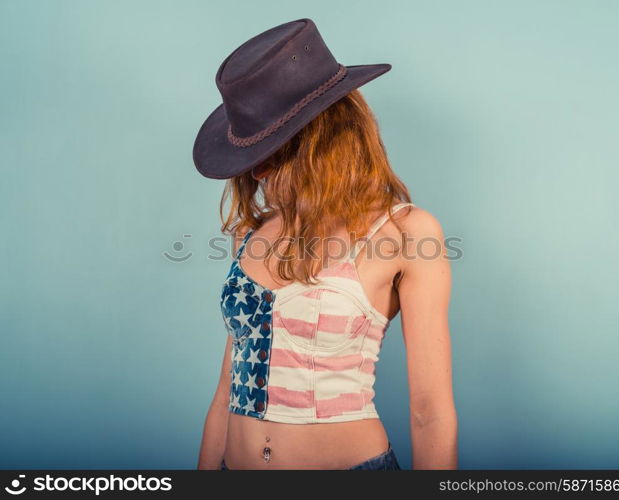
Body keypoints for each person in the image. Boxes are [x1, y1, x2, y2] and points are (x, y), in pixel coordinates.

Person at [192, 18, 456, 470]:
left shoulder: (404, 233)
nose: (256, 173)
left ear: (323, 138)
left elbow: (429, 411)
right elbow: (226, 392)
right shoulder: (250, 233)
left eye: (272, 151)